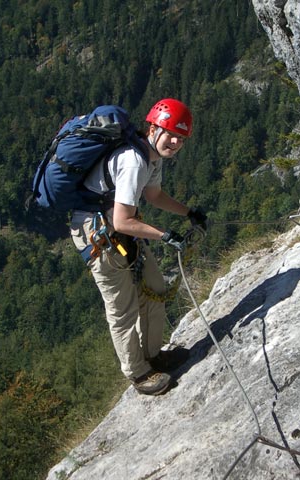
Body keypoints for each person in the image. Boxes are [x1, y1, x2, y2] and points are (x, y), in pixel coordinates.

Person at [70, 98, 207, 395]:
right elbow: (122, 221)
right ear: (153, 128)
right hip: (99, 234)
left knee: (155, 287)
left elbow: (154, 195)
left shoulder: (151, 158)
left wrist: (189, 213)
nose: (174, 142)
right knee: (123, 308)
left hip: (117, 229)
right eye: (169, 133)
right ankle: (138, 373)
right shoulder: (134, 160)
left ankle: (154, 354)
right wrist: (165, 234)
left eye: (180, 138)